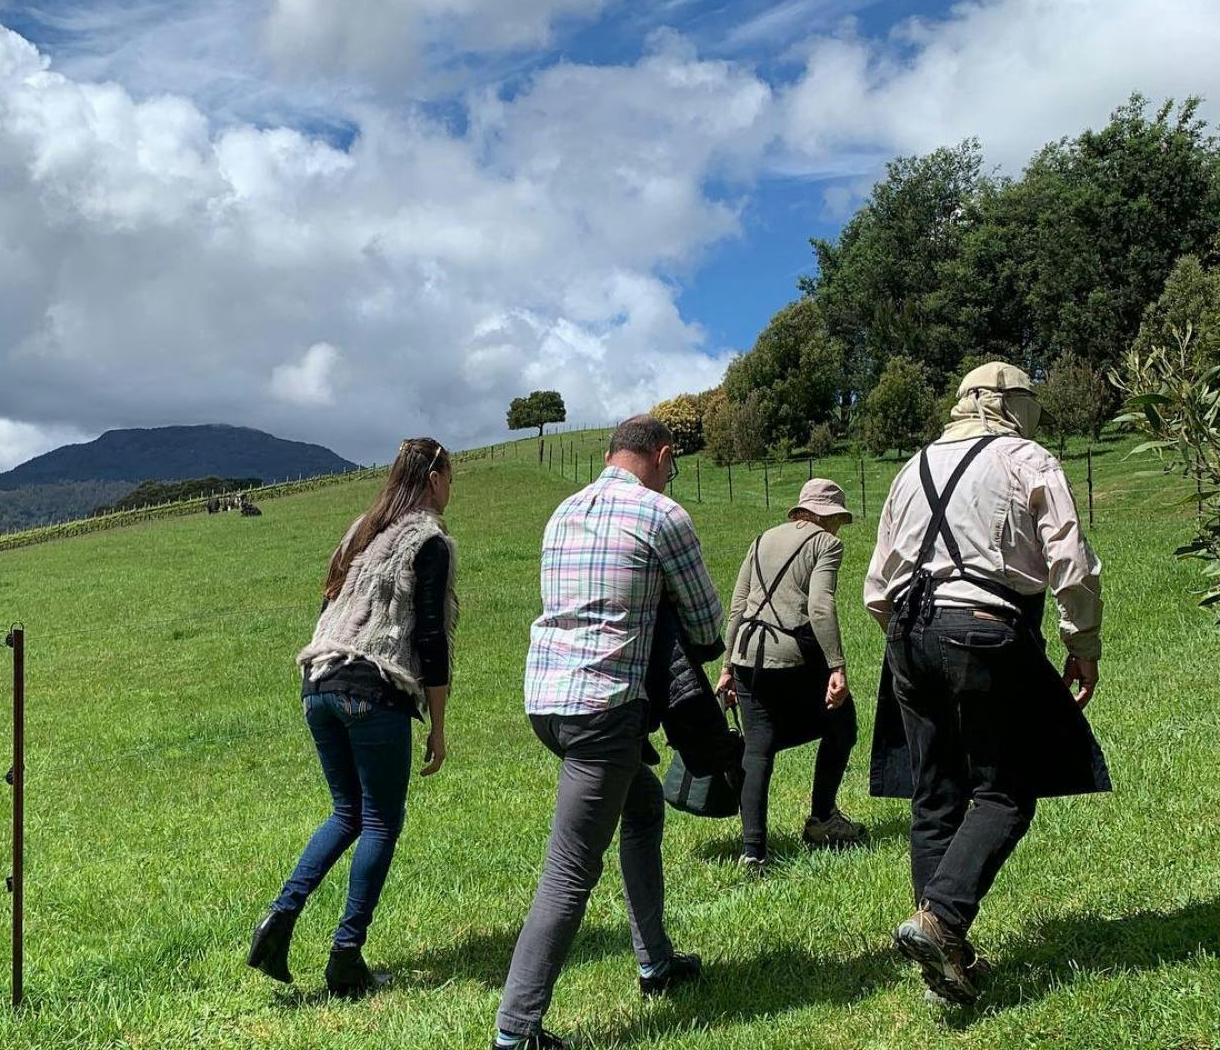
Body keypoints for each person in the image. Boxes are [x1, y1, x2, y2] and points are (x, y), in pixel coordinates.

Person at [864, 362, 1109, 1005]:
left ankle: (947, 964)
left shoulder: (911, 468)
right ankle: (941, 921)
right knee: (1005, 793)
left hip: (906, 634)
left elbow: (877, 586)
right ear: (1012, 404)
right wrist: (1081, 644)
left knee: (935, 797)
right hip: (985, 630)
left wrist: (913, 641)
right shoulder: (1027, 459)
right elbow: (1070, 562)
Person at [494, 416, 722, 1050]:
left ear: (609, 454)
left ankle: (656, 961)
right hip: (605, 710)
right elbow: (707, 626)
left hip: (547, 703)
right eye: (672, 465)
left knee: (643, 807)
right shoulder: (662, 515)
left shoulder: (563, 512)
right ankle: (515, 1030)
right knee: (570, 869)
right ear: (663, 455)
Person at [247, 438, 457, 997]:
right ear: (433, 478)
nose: (450, 491)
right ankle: (345, 957)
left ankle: (279, 920)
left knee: (347, 813)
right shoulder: (428, 541)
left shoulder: (360, 530)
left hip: (318, 680)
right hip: (372, 685)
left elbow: (328, 606)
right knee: (381, 821)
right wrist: (437, 724)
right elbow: (431, 637)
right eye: (449, 479)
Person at [716, 479, 863, 873]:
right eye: (838, 520)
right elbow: (820, 606)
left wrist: (727, 667)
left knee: (758, 749)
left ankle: (753, 852)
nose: (838, 528)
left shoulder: (761, 539)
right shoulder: (825, 544)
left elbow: (737, 607)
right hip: (792, 656)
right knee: (842, 724)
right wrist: (837, 666)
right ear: (826, 517)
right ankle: (822, 820)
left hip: (746, 656)